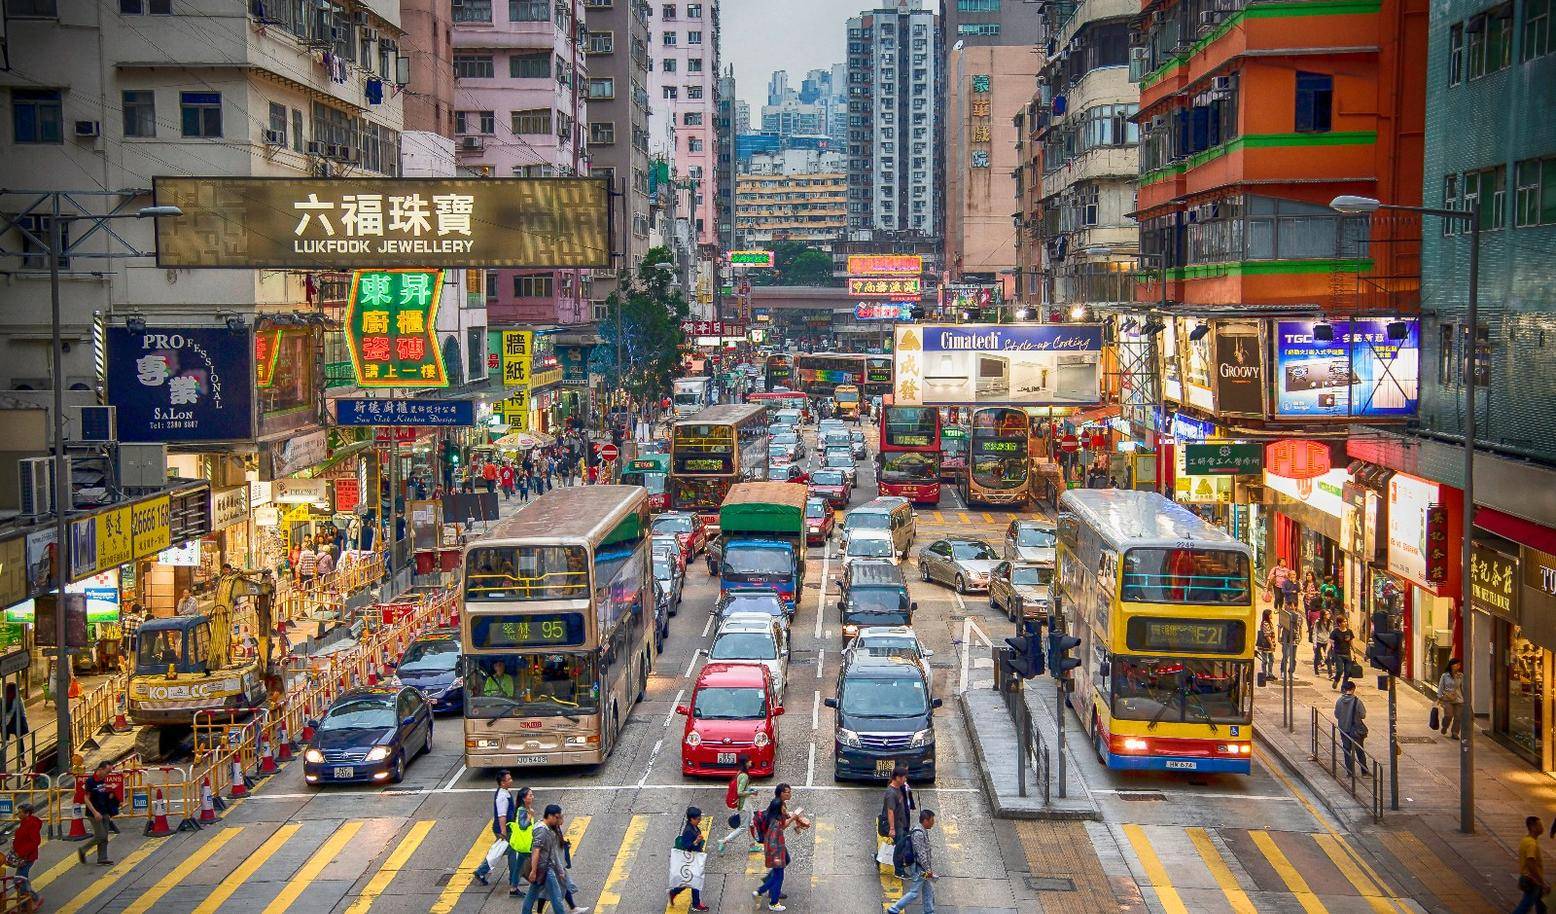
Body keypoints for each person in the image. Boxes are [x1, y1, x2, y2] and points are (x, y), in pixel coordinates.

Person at [521, 804, 588, 914]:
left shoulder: (549, 829)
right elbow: (536, 851)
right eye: (557, 817)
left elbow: (553, 852)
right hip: (544, 869)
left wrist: (560, 869)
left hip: (546, 868)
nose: (558, 820)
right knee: (556, 897)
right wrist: (533, 871)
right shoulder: (542, 830)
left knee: (532, 894)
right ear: (550, 816)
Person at [886, 809, 937, 914]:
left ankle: (929, 911)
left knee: (928, 890)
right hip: (920, 869)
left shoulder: (920, 830)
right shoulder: (918, 833)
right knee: (914, 892)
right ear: (925, 820)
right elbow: (921, 853)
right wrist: (928, 870)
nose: (933, 823)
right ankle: (894, 908)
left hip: (922, 868)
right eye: (932, 820)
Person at [473, 771, 516, 887]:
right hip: (504, 829)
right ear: (502, 782)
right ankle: (513, 879)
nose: (511, 780)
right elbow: (502, 816)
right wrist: (503, 831)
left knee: (502, 851)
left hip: (507, 828)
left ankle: (481, 871)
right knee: (509, 851)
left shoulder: (505, 792)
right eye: (509, 779)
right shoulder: (501, 797)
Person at [666, 806, 710, 911]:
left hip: (694, 856)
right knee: (695, 879)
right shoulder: (688, 831)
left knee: (690, 880)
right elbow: (686, 846)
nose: (699, 820)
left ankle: (673, 893)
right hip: (691, 858)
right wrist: (696, 842)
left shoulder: (693, 827)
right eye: (698, 819)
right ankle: (696, 904)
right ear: (691, 819)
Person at [77, 761, 117, 865]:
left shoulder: (102, 780)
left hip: (104, 811)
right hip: (93, 813)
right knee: (101, 835)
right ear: (100, 769)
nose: (107, 774)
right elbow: (86, 798)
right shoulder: (91, 781)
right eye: (107, 772)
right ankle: (83, 849)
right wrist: (95, 812)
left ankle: (102, 858)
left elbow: (103, 795)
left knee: (105, 836)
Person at [717, 757, 760, 853]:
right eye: (749, 760)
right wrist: (751, 793)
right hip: (744, 805)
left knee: (752, 823)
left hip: (746, 803)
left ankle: (752, 845)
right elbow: (740, 792)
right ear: (746, 763)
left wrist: (750, 791)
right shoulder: (744, 776)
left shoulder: (740, 772)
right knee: (743, 827)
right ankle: (724, 841)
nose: (751, 761)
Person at [881, 764, 916, 877]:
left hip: (901, 823)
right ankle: (899, 871)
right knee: (899, 848)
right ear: (897, 778)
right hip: (895, 825)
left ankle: (880, 858)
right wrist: (892, 828)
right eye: (903, 777)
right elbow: (890, 811)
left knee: (901, 845)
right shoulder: (891, 793)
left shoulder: (898, 788)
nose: (905, 779)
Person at [1334, 680, 1369, 778]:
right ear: (1353, 689)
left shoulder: (1339, 701)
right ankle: (1364, 771)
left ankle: (1350, 772)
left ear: (1344, 690)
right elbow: (1363, 715)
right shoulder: (1357, 701)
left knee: (1346, 750)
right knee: (1359, 750)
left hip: (1343, 729)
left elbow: (1336, 715)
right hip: (1355, 730)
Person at [1515, 816, 1549, 914]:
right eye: (1540, 825)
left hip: (1528, 878)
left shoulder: (1525, 840)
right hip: (1532, 880)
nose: (1542, 827)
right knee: (1525, 906)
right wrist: (1541, 881)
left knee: (1541, 903)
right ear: (1532, 827)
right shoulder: (1531, 844)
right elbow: (1531, 863)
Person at [12, 801, 41, 906]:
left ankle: (28, 903)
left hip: (27, 857)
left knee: (20, 880)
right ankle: (29, 901)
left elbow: (35, 842)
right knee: (20, 879)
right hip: (23, 856)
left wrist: (22, 853)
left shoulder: (31, 824)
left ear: (27, 813)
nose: (18, 814)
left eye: (20, 812)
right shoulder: (24, 823)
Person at [1437, 658, 1464, 740]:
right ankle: (1445, 726)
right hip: (1447, 699)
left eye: (1459, 665)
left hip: (1458, 699)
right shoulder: (1445, 676)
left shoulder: (1460, 676)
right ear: (1451, 665)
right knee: (1448, 715)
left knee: (1458, 717)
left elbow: (1463, 688)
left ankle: (1455, 733)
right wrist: (1439, 697)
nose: (1458, 666)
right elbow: (1441, 687)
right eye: (1456, 664)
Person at [1329, 615, 1356, 689]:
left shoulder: (1349, 631)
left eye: (1346, 621)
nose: (1346, 623)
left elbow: (1351, 642)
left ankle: (1343, 686)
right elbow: (1330, 642)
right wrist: (1328, 650)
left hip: (1347, 654)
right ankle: (1336, 680)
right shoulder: (1335, 632)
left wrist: (1354, 651)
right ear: (1339, 623)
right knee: (1340, 670)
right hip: (1338, 654)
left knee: (1347, 671)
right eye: (1344, 621)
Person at [1278, 606, 1300, 683]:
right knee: (1286, 656)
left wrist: (1299, 637)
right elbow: (1279, 626)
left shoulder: (1298, 616)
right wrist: (1279, 637)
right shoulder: (1285, 616)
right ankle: (1283, 671)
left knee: (1292, 657)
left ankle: (1291, 672)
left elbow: (1299, 627)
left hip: (1293, 639)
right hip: (1286, 639)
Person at [1256, 609, 1276, 682]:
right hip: (1266, 645)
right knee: (1265, 660)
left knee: (1271, 659)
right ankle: (1265, 674)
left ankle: (1269, 674)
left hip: (1269, 644)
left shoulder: (1269, 623)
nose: (1271, 615)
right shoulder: (1265, 623)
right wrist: (1271, 644)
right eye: (1270, 614)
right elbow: (1267, 635)